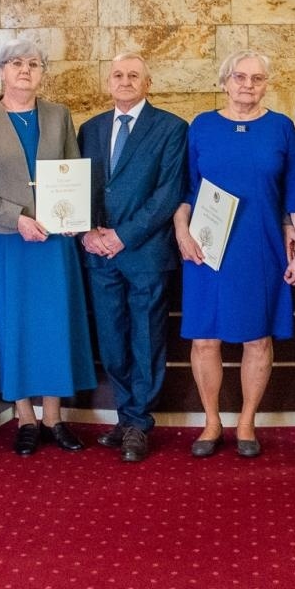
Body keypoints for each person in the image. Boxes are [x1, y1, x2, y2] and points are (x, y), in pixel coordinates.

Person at [0, 39, 96, 455]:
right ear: (1, 71)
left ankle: (54, 418)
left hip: (55, 244)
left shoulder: (59, 116)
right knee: (14, 326)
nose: (25, 70)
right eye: (16, 63)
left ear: (42, 72)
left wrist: (76, 217)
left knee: (55, 326)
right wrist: (16, 217)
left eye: (33, 64)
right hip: (7, 244)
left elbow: (76, 176)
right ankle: (26, 418)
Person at [174, 50, 295, 459]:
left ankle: (247, 420)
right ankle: (211, 421)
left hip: (261, 245)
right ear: (224, 81)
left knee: (257, 337)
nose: (248, 85)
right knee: (205, 338)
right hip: (207, 246)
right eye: (239, 77)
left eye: (257, 78)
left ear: (267, 84)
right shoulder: (202, 126)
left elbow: (294, 194)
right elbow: (184, 190)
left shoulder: (282, 128)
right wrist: (181, 229)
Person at [78, 53, 188, 463]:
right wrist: (87, 231)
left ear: (148, 83)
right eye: (118, 75)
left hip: (144, 253)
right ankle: (125, 417)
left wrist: (122, 236)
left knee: (145, 340)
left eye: (134, 75)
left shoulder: (172, 128)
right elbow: (80, 187)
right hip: (99, 256)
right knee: (112, 343)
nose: (125, 81)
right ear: (108, 82)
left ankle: (139, 422)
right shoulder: (89, 129)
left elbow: (168, 193)